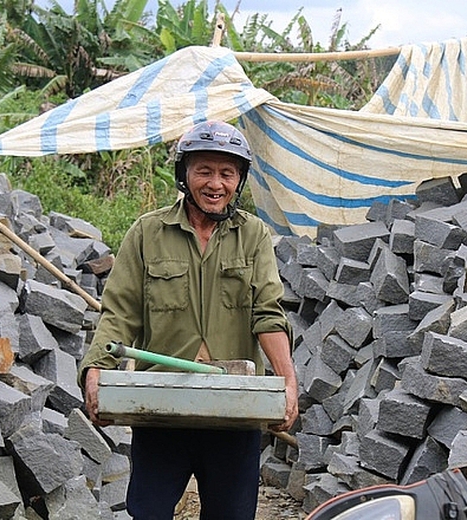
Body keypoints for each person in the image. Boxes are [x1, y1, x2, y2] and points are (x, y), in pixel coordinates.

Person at [78, 120, 299, 520]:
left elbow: (268, 312)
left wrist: (288, 381)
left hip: (234, 414)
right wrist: (96, 370)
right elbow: (120, 313)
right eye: (205, 171)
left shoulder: (254, 235)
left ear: (239, 181)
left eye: (227, 173)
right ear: (185, 175)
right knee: (149, 513)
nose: (216, 183)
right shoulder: (147, 233)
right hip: (161, 410)